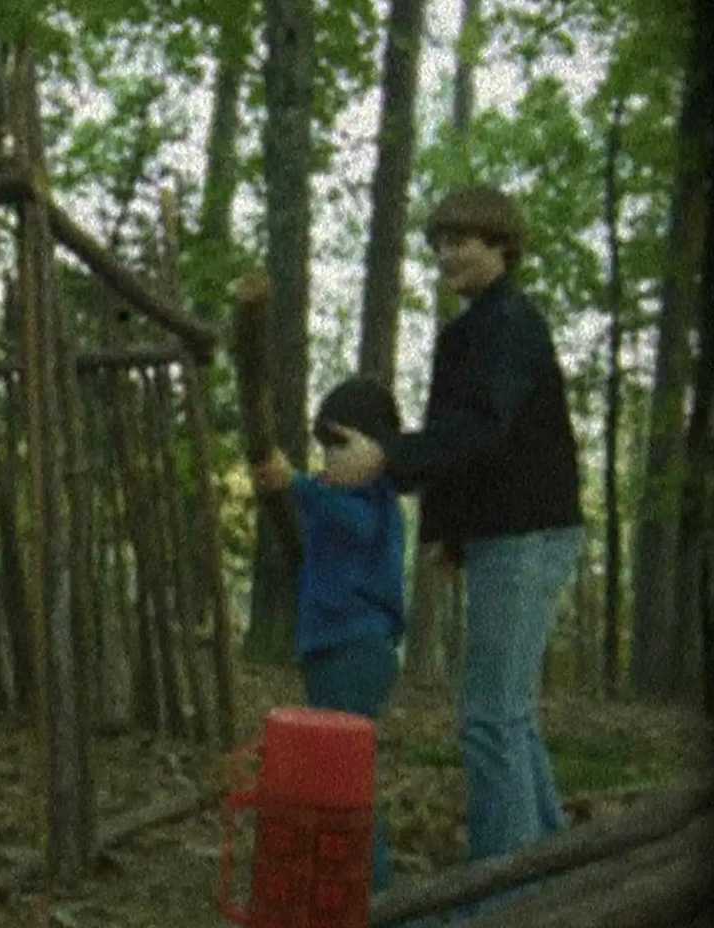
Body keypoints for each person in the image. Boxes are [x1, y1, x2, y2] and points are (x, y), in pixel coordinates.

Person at [319, 185, 584, 874]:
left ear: (502, 244)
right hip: (506, 534)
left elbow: (487, 428)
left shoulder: (511, 324)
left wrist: (387, 456)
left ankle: (508, 892)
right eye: (439, 242)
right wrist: (455, 535)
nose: (447, 254)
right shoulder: (471, 330)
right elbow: (468, 440)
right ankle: (554, 869)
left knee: (488, 720)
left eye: (463, 239)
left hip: (528, 535)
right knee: (510, 716)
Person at [251, 375, 406, 894]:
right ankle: (345, 889)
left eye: (342, 445)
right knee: (335, 776)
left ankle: (375, 896)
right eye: (327, 446)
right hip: (332, 651)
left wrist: (296, 484)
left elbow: (352, 525)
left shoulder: (376, 500)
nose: (331, 458)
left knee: (347, 781)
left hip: (356, 651)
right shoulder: (337, 497)